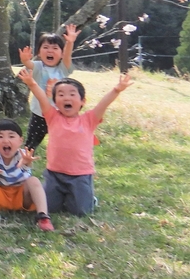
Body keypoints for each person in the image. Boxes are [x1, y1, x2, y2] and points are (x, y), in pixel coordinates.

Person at [18, 68, 133, 215]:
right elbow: (41, 98)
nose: (66, 98)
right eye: (61, 94)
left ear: (82, 101)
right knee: (49, 208)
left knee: (81, 212)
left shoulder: (89, 119)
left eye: (72, 94)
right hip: (55, 174)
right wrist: (32, 83)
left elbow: (103, 104)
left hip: (80, 175)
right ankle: (63, 196)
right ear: (55, 102)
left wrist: (117, 90)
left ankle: (89, 199)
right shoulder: (52, 116)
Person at [18, 24, 78, 151]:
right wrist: (24, 60)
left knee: (64, 145)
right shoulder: (39, 67)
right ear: (39, 52)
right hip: (39, 114)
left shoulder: (63, 68)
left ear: (61, 53)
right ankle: (24, 166)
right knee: (30, 145)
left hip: (60, 114)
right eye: (45, 47)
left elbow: (67, 56)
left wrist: (70, 42)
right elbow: (29, 64)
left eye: (55, 48)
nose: (50, 51)